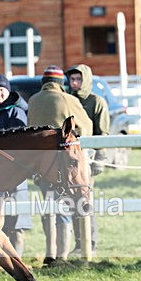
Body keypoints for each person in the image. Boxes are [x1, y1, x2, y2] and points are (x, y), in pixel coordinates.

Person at [27, 65, 93, 266]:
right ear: (60, 84)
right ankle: (62, 256)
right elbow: (86, 127)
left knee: (48, 208)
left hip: (39, 165)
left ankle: (50, 252)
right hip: (62, 165)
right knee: (63, 208)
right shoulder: (68, 100)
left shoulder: (33, 100)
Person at [0, 73, 32, 256]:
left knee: (16, 218)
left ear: (8, 91)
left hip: (14, 172)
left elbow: (19, 142)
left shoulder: (15, 111)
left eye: (2, 89)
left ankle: (17, 257)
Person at [65, 64, 110, 257]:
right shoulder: (67, 100)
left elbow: (103, 133)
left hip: (88, 160)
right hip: (69, 162)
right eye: (72, 79)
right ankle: (78, 244)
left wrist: (100, 159)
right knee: (71, 202)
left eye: (78, 79)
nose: (74, 83)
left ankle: (89, 243)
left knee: (85, 202)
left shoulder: (96, 102)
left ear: (86, 80)